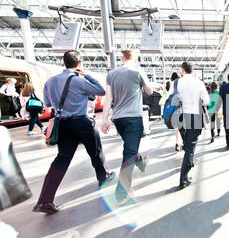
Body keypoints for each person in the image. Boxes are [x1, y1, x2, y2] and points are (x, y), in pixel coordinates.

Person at [32, 50, 116, 214]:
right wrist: (86, 74)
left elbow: (48, 103)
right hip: (82, 123)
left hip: (63, 125)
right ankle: (103, 178)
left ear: (64, 62)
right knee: (96, 153)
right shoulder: (78, 80)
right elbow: (101, 91)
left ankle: (44, 200)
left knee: (61, 160)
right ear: (79, 63)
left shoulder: (50, 82)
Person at [101, 49, 153, 205]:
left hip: (118, 119)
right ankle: (121, 194)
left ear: (122, 58)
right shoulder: (137, 72)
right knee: (129, 153)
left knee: (130, 148)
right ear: (135, 59)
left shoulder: (111, 74)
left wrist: (105, 120)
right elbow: (149, 91)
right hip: (133, 118)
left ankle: (142, 163)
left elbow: (108, 98)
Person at [169, 62, 209, 189]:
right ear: (193, 71)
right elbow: (206, 101)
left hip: (180, 117)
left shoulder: (176, 82)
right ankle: (183, 178)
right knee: (190, 146)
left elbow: (170, 98)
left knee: (187, 144)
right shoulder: (199, 82)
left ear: (182, 70)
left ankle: (189, 162)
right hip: (195, 116)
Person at [168, 72, 182, 152]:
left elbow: (169, 95)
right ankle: (184, 142)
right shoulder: (185, 82)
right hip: (187, 106)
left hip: (177, 107)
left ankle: (177, 143)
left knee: (178, 126)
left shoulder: (174, 83)